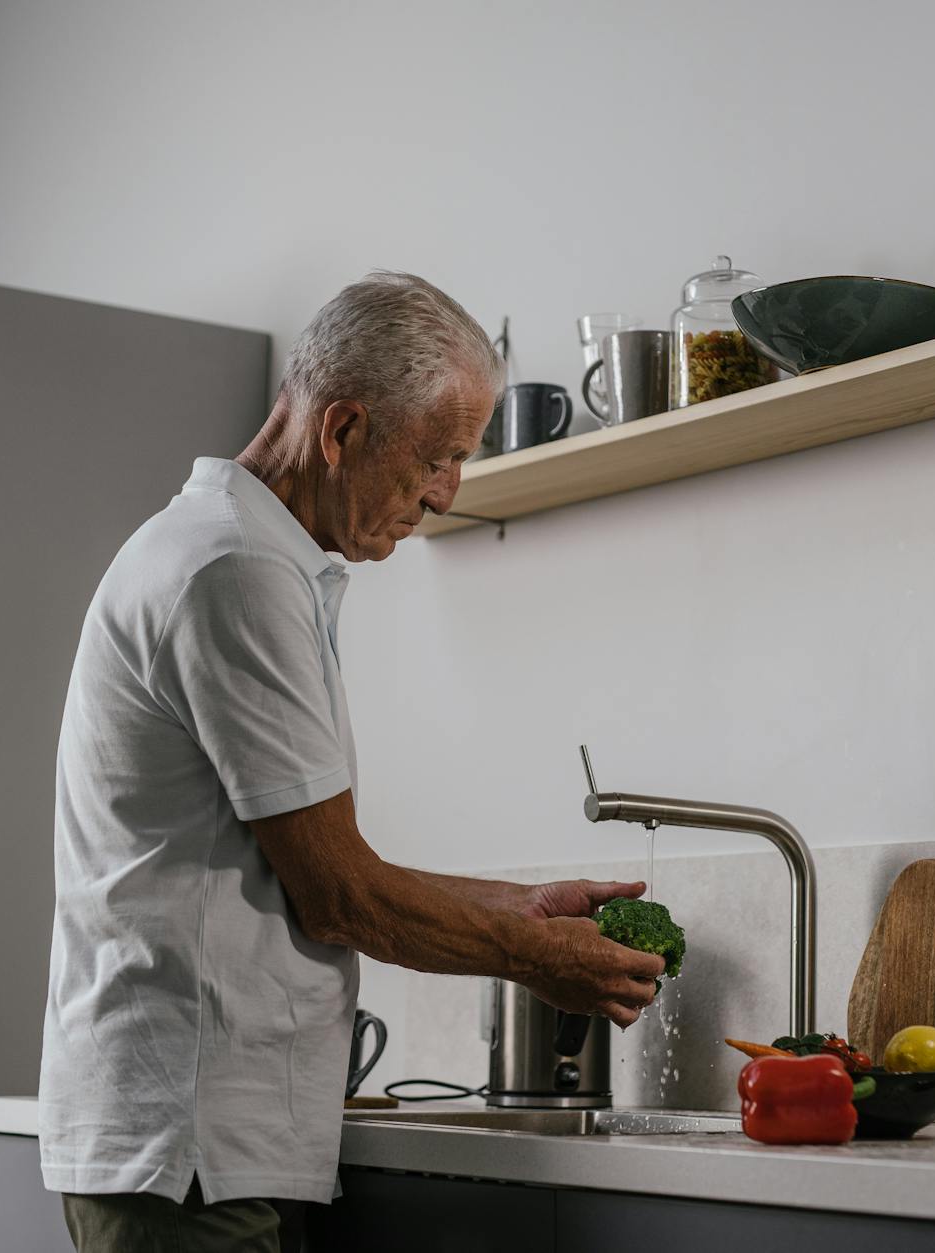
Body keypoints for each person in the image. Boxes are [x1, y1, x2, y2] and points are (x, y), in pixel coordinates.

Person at [38, 272, 662, 1250]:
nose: (448, 490)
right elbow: (338, 895)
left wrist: (523, 906)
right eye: (438, 455)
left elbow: (311, 868)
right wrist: (535, 957)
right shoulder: (234, 569)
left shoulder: (245, 555)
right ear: (341, 430)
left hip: (198, 1132)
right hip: (190, 1137)